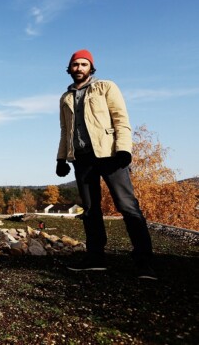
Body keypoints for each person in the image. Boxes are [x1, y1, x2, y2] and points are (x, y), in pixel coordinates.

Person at [55, 49, 156, 280]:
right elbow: (64, 131)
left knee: (127, 206)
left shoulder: (106, 87)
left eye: (83, 64)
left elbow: (121, 118)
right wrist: (61, 158)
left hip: (110, 155)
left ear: (91, 67)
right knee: (90, 210)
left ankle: (144, 262)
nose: (79, 68)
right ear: (69, 69)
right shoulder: (65, 97)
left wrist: (123, 150)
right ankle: (95, 258)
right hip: (82, 159)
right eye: (75, 65)